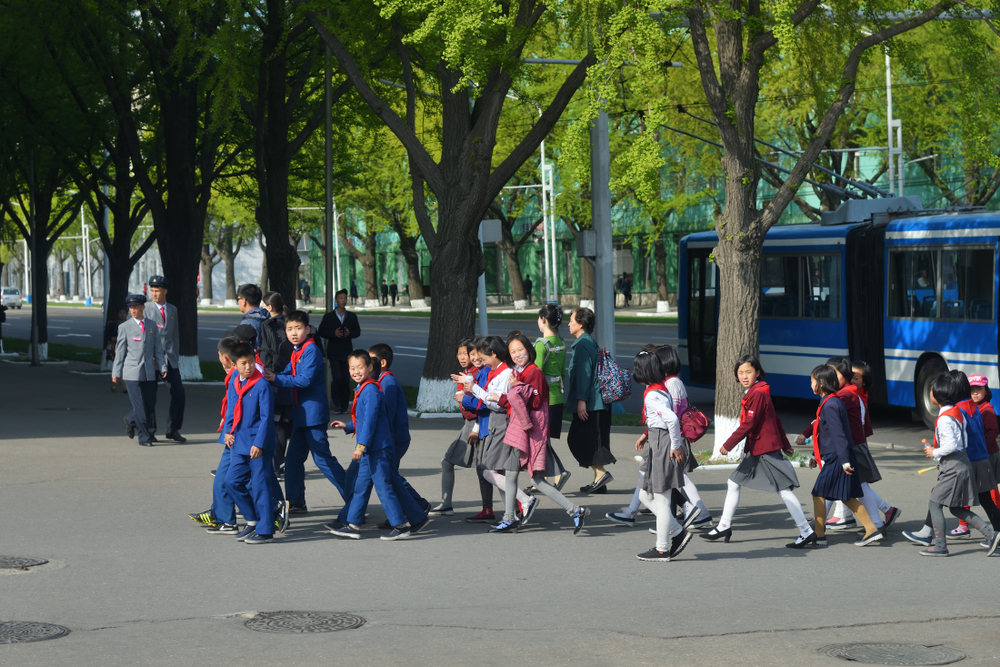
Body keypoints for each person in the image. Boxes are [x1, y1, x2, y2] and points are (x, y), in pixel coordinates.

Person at [486, 333, 590, 535]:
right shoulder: (519, 372)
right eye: (513, 351)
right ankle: (509, 517)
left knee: (536, 480)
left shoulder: (534, 372)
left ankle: (575, 510)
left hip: (530, 434)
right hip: (520, 433)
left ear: (529, 350)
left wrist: (515, 387)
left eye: (520, 350)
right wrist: (502, 397)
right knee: (512, 473)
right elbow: (516, 401)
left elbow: (534, 403)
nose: (517, 354)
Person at [700, 355, 812, 544]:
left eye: (749, 372)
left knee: (784, 490)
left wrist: (728, 444)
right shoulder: (757, 392)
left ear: (758, 372)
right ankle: (724, 526)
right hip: (758, 449)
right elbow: (774, 418)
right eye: (740, 372)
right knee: (733, 483)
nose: (744, 376)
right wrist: (785, 444)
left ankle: (806, 530)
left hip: (764, 450)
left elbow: (749, 423)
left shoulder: (758, 394)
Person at [327, 350, 430, 540]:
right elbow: (364, 419)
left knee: (383, 486)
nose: (356, 371)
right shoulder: (363, 388)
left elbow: (371, 421)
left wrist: (360, 446)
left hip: (378, 448)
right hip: (371, 449)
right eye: (352, 368)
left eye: (360, 367)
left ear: (369, 367)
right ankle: (353, 525)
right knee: (361, 486)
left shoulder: (371, 390)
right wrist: (347, 426)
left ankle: (400, 526)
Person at [903, 373, 1000, 557]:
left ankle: (939, 544)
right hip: (964, 462)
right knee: (956, 507)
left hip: (956, 466)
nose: (929, 392)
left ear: (939, 394)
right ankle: (992, 535)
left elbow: (952, 445)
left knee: (935, 502)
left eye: (931, 390)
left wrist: (935, 452)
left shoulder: (949, 415)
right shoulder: (960, 410)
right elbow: (963, 440)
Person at [263, 310, 347, 514]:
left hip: (313, 416)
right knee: (292, 461)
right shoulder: (297, 350)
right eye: (289, 329)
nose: (293, 333)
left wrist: (275, 379)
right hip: (302, 416)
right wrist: (270, 375)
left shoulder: (311, 350)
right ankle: (296, 503)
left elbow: (304, 380)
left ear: (307, 330)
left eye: (298, 328)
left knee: (323, 459)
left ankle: (355, 500)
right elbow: (289, 372)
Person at [801, 364, 881, 549]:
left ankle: (819, 534)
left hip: (837, 458)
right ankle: (870, 529)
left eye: (812, 381)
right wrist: (814, 454)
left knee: (819, 493)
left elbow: (838, 435)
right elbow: (824, 433)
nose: (810, 384)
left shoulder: (830, 404)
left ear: (821, 383)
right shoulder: (831, 401)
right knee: (845, 496)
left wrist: (844, 461)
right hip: (837, 456)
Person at [630, 350, 692, 561]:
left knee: (662, 499)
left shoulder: (653, 394)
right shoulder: (659, 390)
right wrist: (646, 435)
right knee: (645, 495)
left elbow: (671, 420)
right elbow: (659, 419)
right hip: (658, 441)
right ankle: (678, 532)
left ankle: (662, 548)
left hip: (663, 444)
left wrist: (675, 445)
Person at [224, 342, 280, 545]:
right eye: (243, 363)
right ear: (234, 364)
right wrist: (228, 431)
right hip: (240, 441)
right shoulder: (235, 381)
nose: (248, 367)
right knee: (231, 481)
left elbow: (266, 418)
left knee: (260, 486)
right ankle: (252, 520)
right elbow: (231, 407)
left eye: (251, 362)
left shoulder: (261, 384)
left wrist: (259, 443)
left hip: (258, 445)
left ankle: (265, 531)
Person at [565, 306, 614, 493]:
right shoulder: (588, 342)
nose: (569, 324)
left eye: (572, 320)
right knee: (593, 440)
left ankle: (601, 473)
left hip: (591, 403)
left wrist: (581, 401)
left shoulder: (583, 345)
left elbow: (585, 374)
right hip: (596, 402)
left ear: (581, 323)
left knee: (577, 439)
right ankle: (598, 482)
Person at [431, 339, 479, 516]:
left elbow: (483, 404)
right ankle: (446, 505)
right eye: (459, 354)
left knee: (490, 471)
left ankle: (520, 503)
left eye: (466, 353)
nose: (462, 357)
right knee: (448, 462)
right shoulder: (465, 373)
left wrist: (476, 428)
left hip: (477, 424)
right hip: (469, 423)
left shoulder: (476, 374)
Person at [112, 294, 167, 447]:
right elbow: (120, 352)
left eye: (136, 307)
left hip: (149, 372)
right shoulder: (124, 327)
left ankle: (131, 419)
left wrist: (162, 367)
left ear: (143, 307)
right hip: (132, 373)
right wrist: (116, 373)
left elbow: (158, 349)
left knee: (150, 404)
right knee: (140, 406)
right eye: (131, 308)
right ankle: (144, 437)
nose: (133, 310)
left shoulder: (152, 325)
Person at [144, 275, 186, 442]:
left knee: (179, 393)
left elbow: (175, 335)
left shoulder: (173, 310)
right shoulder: (146, 309)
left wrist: (175, 355)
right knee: (150, 397)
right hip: (152, 360)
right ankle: (149, 431)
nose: (154, 293)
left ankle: (173, 429)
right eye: (152, 290)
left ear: (165, 291)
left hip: (169, 359)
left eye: (157, 290)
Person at [262, 292, 294, 481]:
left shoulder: (270, 326)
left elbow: (268, 356)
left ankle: (277, 465)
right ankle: (280, 464)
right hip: (288, 381)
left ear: (269, 307)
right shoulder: (288, 323)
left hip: (275, 380)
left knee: (276, 424)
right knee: (281, 424)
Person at [317, 289, 361, 414]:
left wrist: (349, 333)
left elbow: (357, 331)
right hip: (334, 352)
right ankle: (337, 404)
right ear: (336, 300)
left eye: (345, 298)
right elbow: (321, 331)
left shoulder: (351, 316)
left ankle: (344, 405)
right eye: (341, 298)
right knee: (337, 378)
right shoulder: (329, 316)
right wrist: (333, 333)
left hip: (347, 352)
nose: (343, 300)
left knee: (346, 379)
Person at [236, 284, 270, 349]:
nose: (238, 302)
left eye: (238, 299)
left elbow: (243, 350)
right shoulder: (267, 315)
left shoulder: (247, 323)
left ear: (244, 301)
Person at [105, 308, 127, 391]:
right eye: (120, 313)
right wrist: (111, 338)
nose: (122, 315)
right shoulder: (113, 324)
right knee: (120, 365)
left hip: (127, 347)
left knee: (122, 366)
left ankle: (114, 385)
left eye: (124, 313)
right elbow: (107, 334)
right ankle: (124, 387)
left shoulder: (129, 324)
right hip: (116, 347)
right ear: (117, 314)